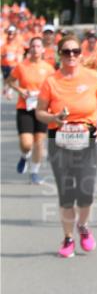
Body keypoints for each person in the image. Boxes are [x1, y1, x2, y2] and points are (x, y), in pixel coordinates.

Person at [35, 34, 97, 258]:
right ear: (59, 55)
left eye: (75, 51)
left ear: (81, 54)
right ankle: (68, 238)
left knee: (86, 192)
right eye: (66, 52)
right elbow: (39, 112)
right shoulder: (51, 81)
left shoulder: (93, 78)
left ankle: (83, 227)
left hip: (86, 139)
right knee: (67, 193)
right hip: (58, 140)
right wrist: (54, 118)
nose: (71, 55)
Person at [8, 35, 54, 183]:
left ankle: (34, 172)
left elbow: (55, 87)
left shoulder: (48, 68)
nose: (35, 49)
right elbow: (10, 81)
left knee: (39, 142)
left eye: (38, 46)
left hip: (42, 109)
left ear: (42, 49)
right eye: (33, 46)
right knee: (27, 143)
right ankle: (24, 156)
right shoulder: (22, 66)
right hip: (25, 107)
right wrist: (20, 90)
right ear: (30, 48)